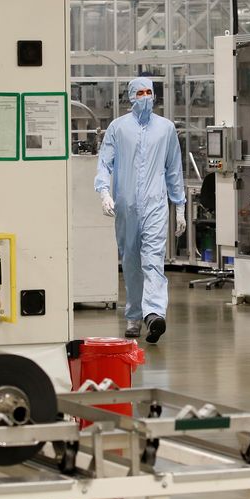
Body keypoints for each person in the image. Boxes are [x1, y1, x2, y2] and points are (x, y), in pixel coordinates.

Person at [94, 77, 186, 343]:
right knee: (131, 261)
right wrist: (104, 192)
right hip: (126, 205)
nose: (145, 97)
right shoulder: (118, 128)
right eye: (140, 92)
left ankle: (154, 314)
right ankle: (134, 316)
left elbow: (173, 169)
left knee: (153, 259)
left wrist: (179, 205)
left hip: (156, 203)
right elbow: (105, 163)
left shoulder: (166, 129)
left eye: (149, 92)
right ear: (130, 96)